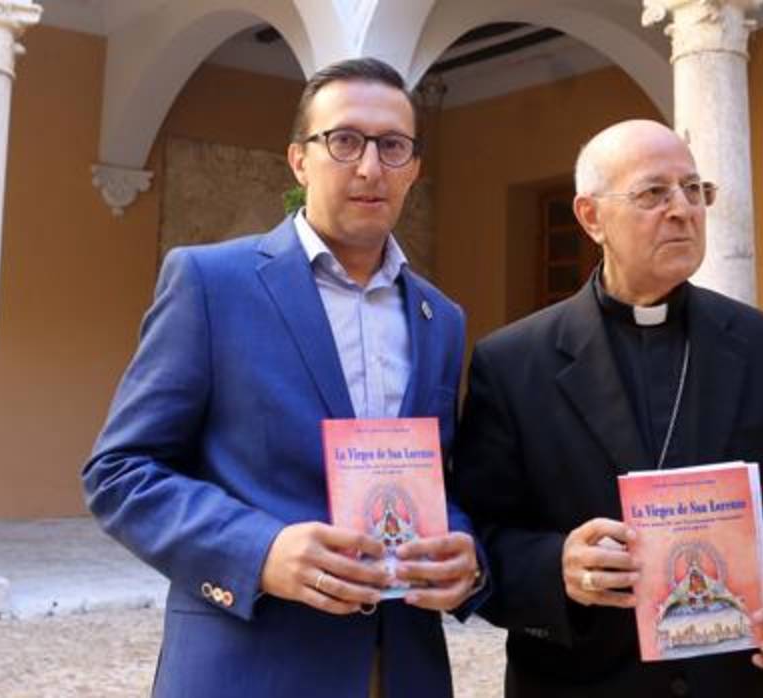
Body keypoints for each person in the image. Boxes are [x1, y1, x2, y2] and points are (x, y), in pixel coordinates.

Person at [83, 58, 486, 698]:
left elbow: (443, 479)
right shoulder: (212, 284)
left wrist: (466, 552)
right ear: (300, 160)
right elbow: (121, 472)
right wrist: (260, 551)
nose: (369, 167)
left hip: (403, 666)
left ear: (414, 168)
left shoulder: (442, 318)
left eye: (393, 146)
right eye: (344, 140)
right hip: (251, 663)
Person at [451, 119, 763, 697]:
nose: (684, 210)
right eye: (654, 193)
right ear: (591, 216)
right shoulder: (514, 363)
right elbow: (478, 535)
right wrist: (557, 567)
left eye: (695, 190)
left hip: (745, 684)